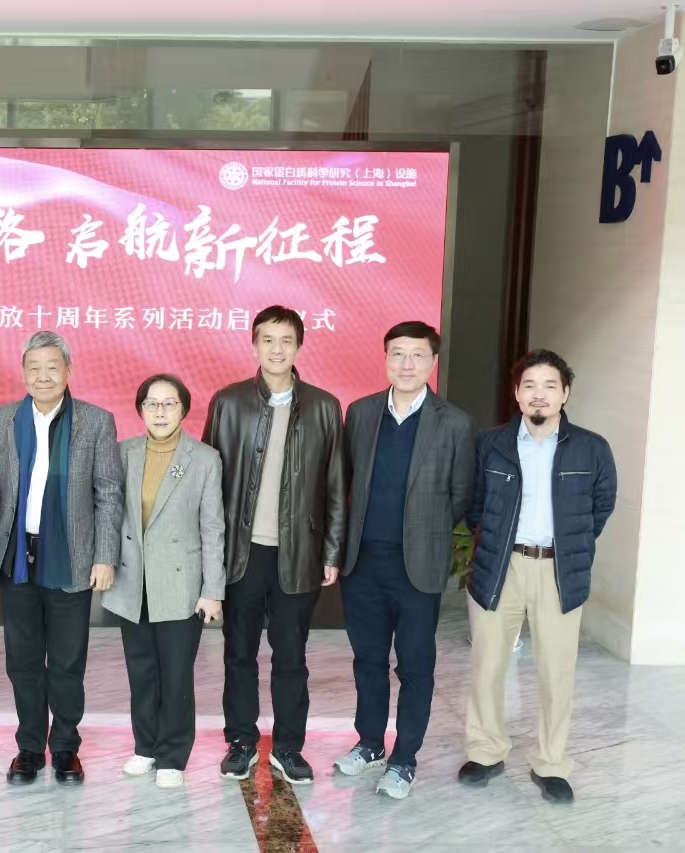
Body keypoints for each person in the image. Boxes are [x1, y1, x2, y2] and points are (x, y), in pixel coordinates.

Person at [459, 350, 616, 803]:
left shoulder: (591, 448)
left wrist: (570, 544)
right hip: (501, 565)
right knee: (488, 664)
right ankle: (486, 751)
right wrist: (495, 541)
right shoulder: (493, 444)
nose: (539, 394)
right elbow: (474, 504)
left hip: (559, 570)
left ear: (565, 393)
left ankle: (550, 763)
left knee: (556, 671)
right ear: (517, 393)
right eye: (529, 385)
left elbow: (601, 505)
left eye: (550, 385)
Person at [202, 304, 347, 785]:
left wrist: (331, 552)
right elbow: (207, 483)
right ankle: (241, 742)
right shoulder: (229, 402)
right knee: (238, 654)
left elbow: (336, 487)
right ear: (254, 344)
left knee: (291, 658)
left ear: (299, 346)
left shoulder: (324, 407)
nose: (277, 349)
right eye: (268, 339)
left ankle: (288, 747)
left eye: (286, 340)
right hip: (241, 554)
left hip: (298, 555)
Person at [0, 331, 123, 786]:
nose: (43, 376)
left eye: (52, 367)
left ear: (68, 371)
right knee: (22, 661)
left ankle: (64, 748)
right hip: (16, 558)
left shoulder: (96, 422)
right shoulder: (1, 421)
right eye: (34, 368)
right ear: (23, 372)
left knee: (66, 663)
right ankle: (28, 748)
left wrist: (105, 556)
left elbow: (108, 494)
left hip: (71, 559)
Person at [336, 322, 476, 799]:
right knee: (368, 660)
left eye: (417, 354)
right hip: (363, 563)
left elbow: (461, 495)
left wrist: (422, 533)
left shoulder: (454, 423)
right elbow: (347, 482)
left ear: (433, 361)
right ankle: (370, 743)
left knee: (415, 666)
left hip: (417, 566)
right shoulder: (360, 412)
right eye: (398, 353)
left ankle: (404, 758)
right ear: (385, 359)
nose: (407, 363)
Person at [102, 374, 225, 790]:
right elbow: (109, 514)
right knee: (141, 672)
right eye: (151, 403)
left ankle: (172, 754)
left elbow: (213, 528)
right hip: (132, 582)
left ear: (183, 409)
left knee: (176, 676)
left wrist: (212, 590)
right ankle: (145, 746)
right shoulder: (123, 453)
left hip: (181, 584)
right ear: (140, 409)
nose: (160, 411)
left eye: (169, 403)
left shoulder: (204, 459)